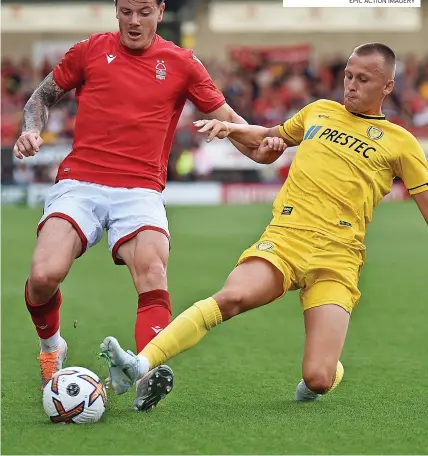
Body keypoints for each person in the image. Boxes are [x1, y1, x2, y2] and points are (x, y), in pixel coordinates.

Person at [100, 43, 428, 407]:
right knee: (230, 297)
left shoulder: (402, 144)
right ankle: (137, 364)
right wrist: (231, 128)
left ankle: (330, 370)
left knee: (317, 379)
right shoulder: (319, 111)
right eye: (348, 75)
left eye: (363, 79)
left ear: (387, 86)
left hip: (338, 259)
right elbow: (269, 137)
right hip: (286, 240)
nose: (350, 85)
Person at [14, 0, 283, 411]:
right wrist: (31, 130)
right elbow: (41, 98)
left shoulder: (182, 63)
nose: (134, 21)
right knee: (43, 276)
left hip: (140, 190)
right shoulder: (89, 51)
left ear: (160, 11)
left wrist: (268, 145)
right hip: (80, 182)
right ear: (115, 11)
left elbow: (239, 129)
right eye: (125, 12)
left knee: (153, 272)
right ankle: (52, 348)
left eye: (143, 12)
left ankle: (145, 373)